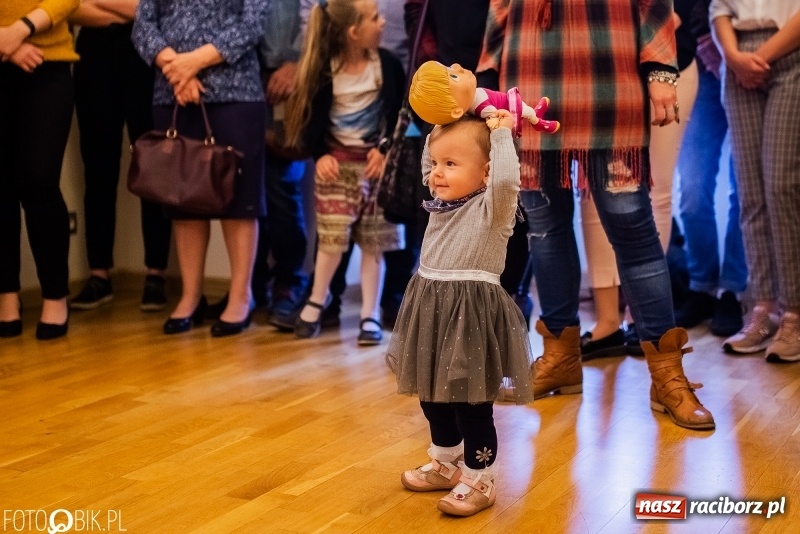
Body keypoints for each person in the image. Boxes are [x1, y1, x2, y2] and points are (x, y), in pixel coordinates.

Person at [479, 0, 715, 430]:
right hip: (529, 78)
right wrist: (486, 84)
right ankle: (561, 358)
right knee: (545, 230)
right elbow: (500, 7)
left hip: (613, 73)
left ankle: (667, 375)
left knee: (631, 224)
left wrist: (662, 72)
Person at [386, 112, 533, 517]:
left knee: (470, 402)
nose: (437, 174)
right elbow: (426, 162)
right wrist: (439, 121)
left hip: (471, 315)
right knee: (432, 396)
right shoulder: (439, 203)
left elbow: (507, 180)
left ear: (485, 173)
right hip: (429, 309)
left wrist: (501, 135)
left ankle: (480, 477)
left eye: (451, 165)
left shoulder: (495, 208)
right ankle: (445, 461)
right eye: (436, 164)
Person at [132, 0, 270, 337]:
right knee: (183, 200)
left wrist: (192, 63)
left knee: (239, 202)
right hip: (172, 92)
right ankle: (191, 296)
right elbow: (143, 26)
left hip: (235, 92)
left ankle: (241, 296)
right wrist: (175, 69)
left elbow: (253, 22)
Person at [578, 0, 700, 360]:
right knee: (590, 194)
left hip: (669, 62)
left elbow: (682, 10)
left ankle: (640, 320)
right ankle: (606, 323)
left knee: (657, 192)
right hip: (598, 69)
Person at [284, 0, 404, 346]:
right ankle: (316, 300)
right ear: (354, 33)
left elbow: (398, 117)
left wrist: (384, 152)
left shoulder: (389, 66)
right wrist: (319, 155)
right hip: (337, 170)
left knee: (374, 243)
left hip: (375, 170)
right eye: (375, 18)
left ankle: (369, 314)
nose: (383, 23)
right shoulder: (325, 71)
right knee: (331, 242)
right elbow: (309, 120)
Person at [68, 0, 173, 313]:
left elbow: (158, 11)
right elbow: (70, 9)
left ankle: (157, 274)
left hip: (145, 60)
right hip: (93, 60)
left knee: (154, 168)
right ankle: (99, 274)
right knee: (98, 170)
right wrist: (128, 11)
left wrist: (100, 3)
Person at [711, 1, 800, 362]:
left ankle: (794, 312)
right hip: (737, 59)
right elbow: (719, 8)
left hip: (789, 51)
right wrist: (733, 57)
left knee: (782, 187)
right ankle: (762, 309)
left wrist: (757, 58)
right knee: (750, 194)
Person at [1, 0, 78, 340]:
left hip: (47, 65)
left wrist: (19, 31)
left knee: (40, 181)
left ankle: (55, 297)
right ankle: (7, 298)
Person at [674, 0, 747, 338]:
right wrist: (706, 39)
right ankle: (701, 285)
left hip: (752, 55)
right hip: (699, 65)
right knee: (691, 187)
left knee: (745, 188)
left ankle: (733, 290)